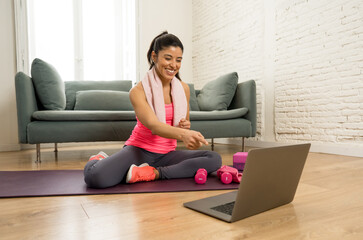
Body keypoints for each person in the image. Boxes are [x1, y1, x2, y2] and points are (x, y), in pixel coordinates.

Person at [84, 31, 222, 188]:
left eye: (178, 60)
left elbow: (185, 124)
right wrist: (185, 134)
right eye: (168, 58)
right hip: (139, 150)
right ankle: (99, 160)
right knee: (96, 177)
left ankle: (153, 173)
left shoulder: (183, 89)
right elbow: (154, 126)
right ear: (154, 56)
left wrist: (188, 133)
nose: (174, 65)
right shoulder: (138, 91)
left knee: (214, 158)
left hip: (167, 154)